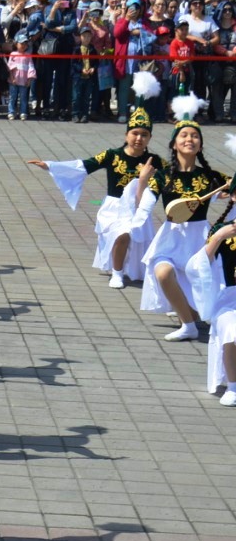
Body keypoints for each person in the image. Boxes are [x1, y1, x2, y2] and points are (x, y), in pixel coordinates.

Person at [27, 79, 163, 288]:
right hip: (115, 208)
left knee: (135, 242)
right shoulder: (112, 155)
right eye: (135, 133)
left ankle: (130, 270)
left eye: (144, 134)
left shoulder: (155, 161)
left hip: (139, 209)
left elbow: (177, 177)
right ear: (126, 134)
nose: (138, 138)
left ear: (150, 137)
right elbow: (84, 166)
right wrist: (51, 166)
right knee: (122, 235)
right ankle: (117, 273)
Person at [131, 95, 228, 339]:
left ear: (200, 145)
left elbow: (231, 191)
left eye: (195, 136)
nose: (190, 139)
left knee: (200, 304)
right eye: (184, 136)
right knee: (162, 271)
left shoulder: (211, 177)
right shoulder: (163, 176)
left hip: (200, 240)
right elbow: (145, 203)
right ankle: (188, 327)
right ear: (175, 144)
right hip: (171, 238)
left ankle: (191, 317)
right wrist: (138, 220)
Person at [184, 218, 236, 406]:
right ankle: (233, 386)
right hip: (231, 298)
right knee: (231, 328)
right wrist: (218, 238)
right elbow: (198, 267)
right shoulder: (224, 229)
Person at [6, 32, 35, 120]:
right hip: (14, 80)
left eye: (25, 44)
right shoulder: (13, 54)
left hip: (24, 81)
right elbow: (10, 67)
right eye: (21, 43)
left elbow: (31, 68)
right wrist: (11, 77)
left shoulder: (28, 55)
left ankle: (23, 112)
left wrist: (29, 80)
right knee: (12, 97)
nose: (23, 45)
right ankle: (11, 112)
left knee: (23, 97)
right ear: (16, 44)